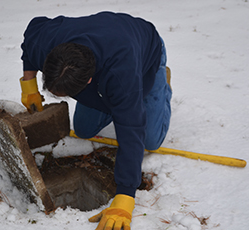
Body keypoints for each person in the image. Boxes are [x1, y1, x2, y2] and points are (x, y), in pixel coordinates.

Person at [20, 11, 172, 230]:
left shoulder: (122, 75)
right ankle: (115, 104)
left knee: (150, 140)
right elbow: (31, 36)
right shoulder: (49, 42)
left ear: (89, 80)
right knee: (84, 129)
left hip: (146, 55)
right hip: (107, 51)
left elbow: (131, 130)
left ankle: (161, 84)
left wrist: (126, 195)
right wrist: (29, 86)